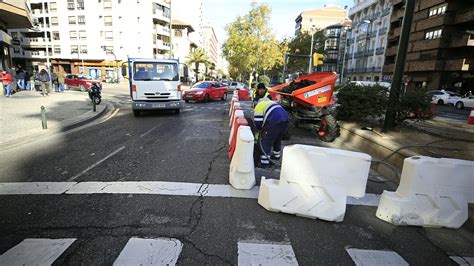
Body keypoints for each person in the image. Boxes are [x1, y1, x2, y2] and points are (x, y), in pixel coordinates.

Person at [253, 98, 289, 168]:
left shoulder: (259, 105)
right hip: (285, 119)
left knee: (266, 140)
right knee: (277, 138)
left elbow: (258, 122)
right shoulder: (272, 103)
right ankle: (276, 155)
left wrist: (260, 130)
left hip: (274, 120)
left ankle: (264, 162)